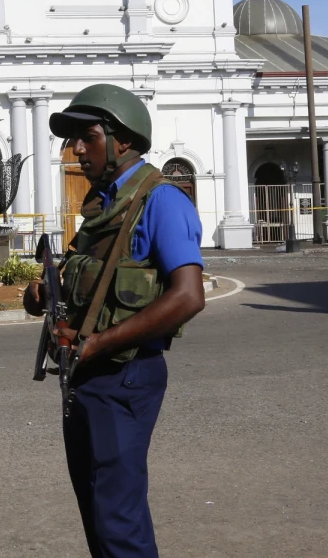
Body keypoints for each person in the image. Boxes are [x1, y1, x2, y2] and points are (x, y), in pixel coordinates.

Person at [22, 84, 207, 558]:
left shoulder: (160, 201)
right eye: (73, 140)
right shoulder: (102, 205)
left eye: (87, 136)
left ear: (121, 139)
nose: (76, 149)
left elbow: (188, 296)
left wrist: (102, 342)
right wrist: (45, 292)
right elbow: (90, 284)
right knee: (97, 509)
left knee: (118, 517)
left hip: (124, 374)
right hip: (87, 373)